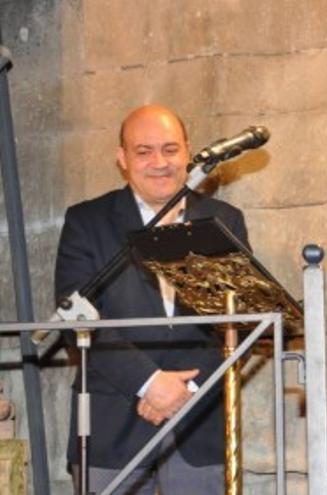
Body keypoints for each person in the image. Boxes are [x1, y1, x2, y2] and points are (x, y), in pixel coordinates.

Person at [55, 104, 249, 493]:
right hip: (112, 428)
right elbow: (75, 321)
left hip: (199, 426)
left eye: (170, 149)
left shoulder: (223, 220)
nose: (159, 162)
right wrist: (148, 382)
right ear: (122, 159)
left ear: (188, 151)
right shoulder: (87, 222)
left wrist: (185, 392)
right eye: (143, 152)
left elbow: (239, 319)